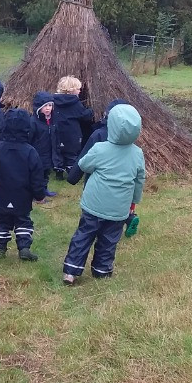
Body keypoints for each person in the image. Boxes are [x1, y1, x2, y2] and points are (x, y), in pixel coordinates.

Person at [62, 104, 145, 284]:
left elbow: (84, 165)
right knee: (109, 240)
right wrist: (133, 202)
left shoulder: (100, 148)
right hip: (119, 209)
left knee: (84, 235)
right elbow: (139, 181)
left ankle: (71, 271)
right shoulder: (137, 154)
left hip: (94, 205)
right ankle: (102, 270)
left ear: (111, 125)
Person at [0, 108, 47, 261]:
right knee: (23, 221)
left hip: (1, 195)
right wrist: (40, 195)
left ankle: (0, 249)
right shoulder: (30, 152)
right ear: (27, 128)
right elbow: (37, 177)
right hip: (22, 195)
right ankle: (24, 248)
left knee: (1, 222)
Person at [66, 99, 138, 236]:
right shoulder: (129, 137)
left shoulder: (99, 134)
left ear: (107, 114)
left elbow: (85, 156)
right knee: (119, 202)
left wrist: (73, 177)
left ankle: (93, 227)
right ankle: (129, 217)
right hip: (121, 181)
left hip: (98, 179)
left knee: (95, 206)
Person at [51, 76, 94, 180]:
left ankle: (59, 172)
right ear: (71, 90)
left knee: (58, 152)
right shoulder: (75, 103)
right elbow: (84, 116)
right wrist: (90, 111)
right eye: (78, 89)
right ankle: (72, 172)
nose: (80, 91)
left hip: (57, 131)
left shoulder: (53, 101)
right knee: (71, 153)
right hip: (72, 133)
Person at [29, 91, 57, 197]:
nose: (48, 108)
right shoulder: (33, 122)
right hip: (37, 153)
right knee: (37, 175)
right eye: (45, 106)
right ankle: (36, 193)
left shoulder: (52, 121)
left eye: (50, 105)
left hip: (48, 152)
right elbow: (29, 138)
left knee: (46, 173)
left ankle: (44, 189)